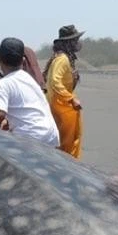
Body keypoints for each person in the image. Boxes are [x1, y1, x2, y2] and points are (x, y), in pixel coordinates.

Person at [0, 38, 60, 148]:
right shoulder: (28, 78)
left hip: (31, 138)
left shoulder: (2, 84)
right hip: (51, 135)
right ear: (23, 61)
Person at [45, 25, 85, 158]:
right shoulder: (62, 59)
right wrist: (70, 98)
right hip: (62, 107)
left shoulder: (64, 58)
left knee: (69, 141)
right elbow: (55, 82)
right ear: (68, 42)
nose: (77, 43)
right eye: (75, 40)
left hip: (64, 106)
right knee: (66, 145)